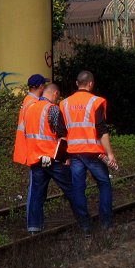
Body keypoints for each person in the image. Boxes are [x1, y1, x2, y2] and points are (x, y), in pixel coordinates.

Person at [22, 83, 83, 234]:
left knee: (37, 194)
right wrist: (65, 158)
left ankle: (34, 227)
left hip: (37, 159)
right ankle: (84, 222)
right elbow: (61, 135)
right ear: (55, 94)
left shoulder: (29, 109)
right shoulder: (53, 109)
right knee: (71, 189)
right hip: (53, 159)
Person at [61, 70, 118, 232]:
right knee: (104, 184)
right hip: (94, 153)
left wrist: (65, 155)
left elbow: (62, 132)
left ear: (77, 83)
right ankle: (106, 224)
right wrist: (110, 154)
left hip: (74, 153)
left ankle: (85, 226)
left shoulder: (64, 103)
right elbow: (101, 131)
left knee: (78, 188)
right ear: (91, 84)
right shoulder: (96, 102)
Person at [13, 74, 48, 165]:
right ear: (41, 87)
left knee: (39, 175)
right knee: (38, 175)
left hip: (32, 147)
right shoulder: (34, 104)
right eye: (44, 85)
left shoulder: (28, 100)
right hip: (36, 149)